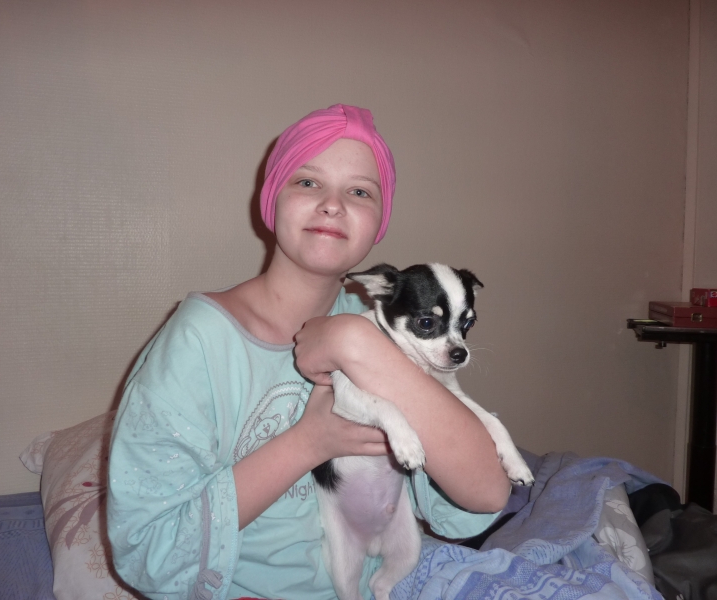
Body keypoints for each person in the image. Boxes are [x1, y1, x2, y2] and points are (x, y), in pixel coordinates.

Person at [106, 104, 510, 600]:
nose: (333, 204)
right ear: (271, 197)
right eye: (308, 182)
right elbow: (149, 553)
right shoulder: (199, 340)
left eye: (359, 191)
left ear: (380, 222)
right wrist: (310, 442)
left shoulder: (394, 332)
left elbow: (485, 494)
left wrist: (356, 343)